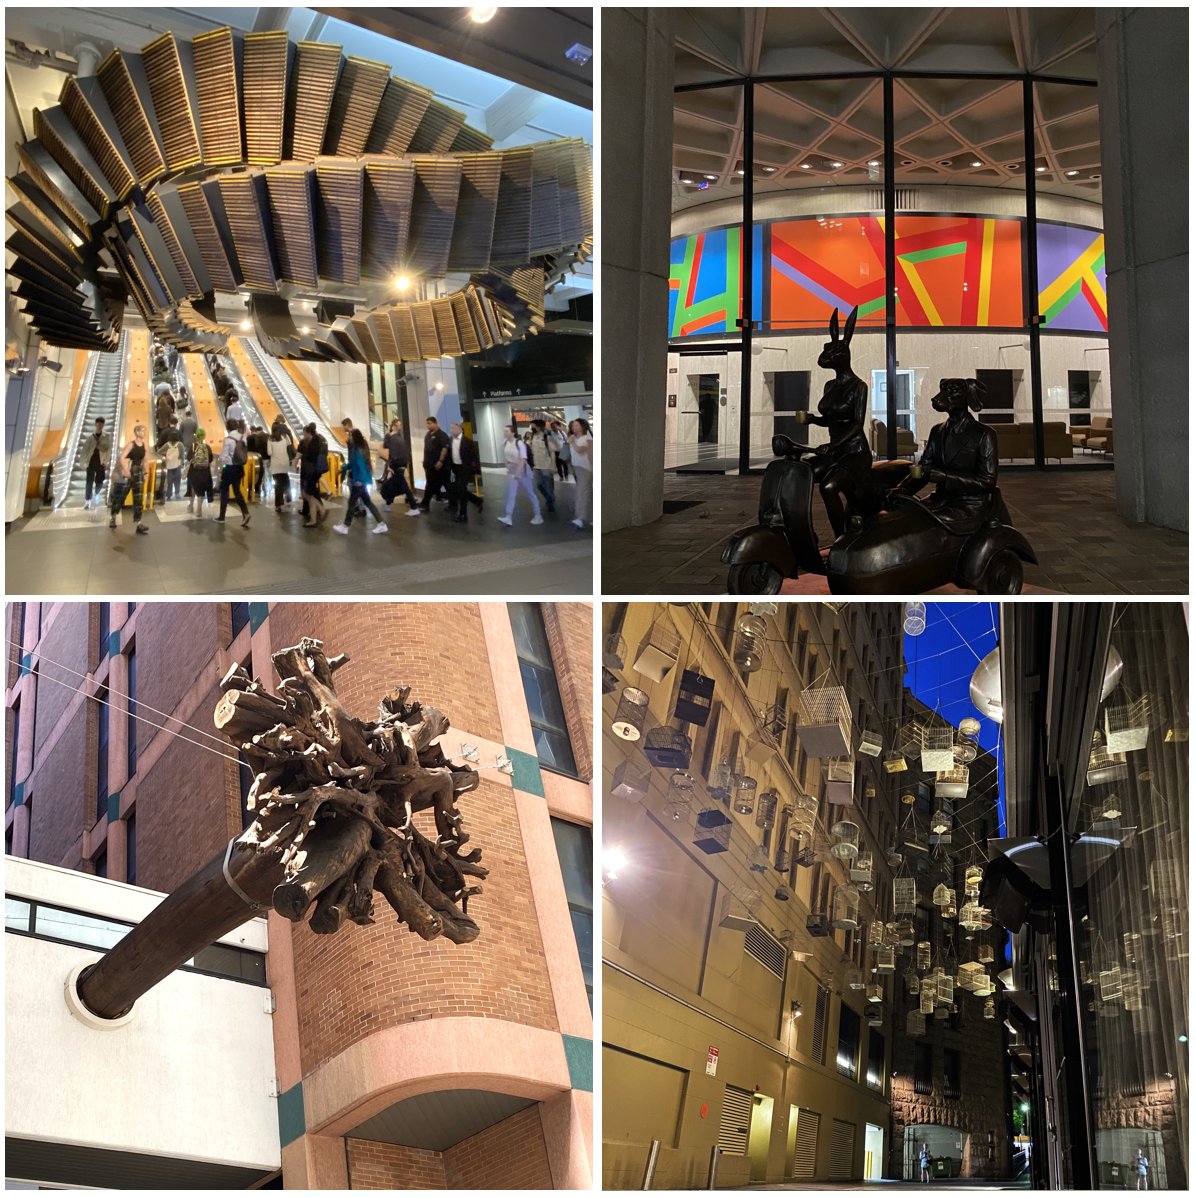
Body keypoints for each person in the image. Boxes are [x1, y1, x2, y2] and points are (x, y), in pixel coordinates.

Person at [333, 429, 388, 535]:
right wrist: (343, 468)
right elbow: (353, 464)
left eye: (350, 436)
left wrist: (359, 481)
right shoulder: (360, 448)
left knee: (352, 502)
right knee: (367, 502)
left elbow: (360, 467)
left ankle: (345, 526)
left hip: (359, 481)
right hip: (362, 481)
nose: (348, 437)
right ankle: (381, 524)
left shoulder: (357, 450)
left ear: (354, 437)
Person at [497, 424, 542, 527]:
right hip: (512, 470)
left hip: (522, 470)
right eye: (504, 431)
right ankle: (508, 516)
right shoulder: (505, 443)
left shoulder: (519, 443)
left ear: (513, 432)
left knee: (530, 493)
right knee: (511, 494)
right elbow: (507, 456)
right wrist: (507, 464)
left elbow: (523, 458)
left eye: (507, 431)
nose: (505, 433)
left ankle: (538, 515)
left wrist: (518, 473)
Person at [109, 423, 149, 535]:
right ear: (136, 432)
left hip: (139, 473)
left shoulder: (144, 445)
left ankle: (138, 523)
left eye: (144, 431)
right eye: (141, 430)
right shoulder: (131, 445)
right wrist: (126, 470)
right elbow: (122, 457)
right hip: (131, 472)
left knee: (139, 498)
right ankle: (113, 516)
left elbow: (145, 460)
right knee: (122, 496)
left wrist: (145, 473)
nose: (143, 432)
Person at [379, 417, 420, 516]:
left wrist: (390, 466)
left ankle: (414, 507)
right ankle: (389, 504)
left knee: (401, 486)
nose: (400, 426)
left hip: (396, 466)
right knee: (394, 485)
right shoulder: (399, 438)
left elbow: (386, 446)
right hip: (400, 465)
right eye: (399, 425)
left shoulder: (392, 438)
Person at [216, 419, 250, 526]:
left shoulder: (228, 439)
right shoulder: (242, 437)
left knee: (224, 490)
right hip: (239, 468)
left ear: (227, 428)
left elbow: (224, 457)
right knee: (237, 491)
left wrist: (221, 470)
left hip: (229, 468)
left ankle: (222, 517)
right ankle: (245, 512)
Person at [448, 421, 483, 523]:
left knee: (461, 490)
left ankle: (463, 514)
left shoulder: (468, 441)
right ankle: (477, 501)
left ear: (459, 428)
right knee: (460, 490)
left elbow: (474, 457)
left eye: (453, 428)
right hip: (456, 468)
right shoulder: (450, 441)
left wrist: (477, 471)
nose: (452, 431)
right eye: (451, 429)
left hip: (465, 468)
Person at [299, 423, 329, 527]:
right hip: (315, 471)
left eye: (304, 433)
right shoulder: (319, 439)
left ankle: (320, 511)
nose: (304, 435)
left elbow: (310, 457)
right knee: (309, 494)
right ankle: (314, 518)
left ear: (308, 432)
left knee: (308, 495)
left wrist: (304, 458)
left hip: (311, 472)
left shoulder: (313, 443)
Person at [420, 417, 451, 510]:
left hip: (438, 466)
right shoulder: (428, 435)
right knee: (435, 484)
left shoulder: (441, 435)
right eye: (427, 423)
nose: (427, 425)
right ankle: (449, 500)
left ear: (435, 423)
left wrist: (440, 461)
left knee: (432, 485)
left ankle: (425, 504)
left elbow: (444, 448)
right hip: (429, 465)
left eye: (429, 423)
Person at [567, 417, 593, 529]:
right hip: (577, 467)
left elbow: (580, 450)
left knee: (581, 492)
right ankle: (591, 517)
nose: (574, 427)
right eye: (573, 425)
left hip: (585, 468)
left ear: (583, 426)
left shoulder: (587, 437)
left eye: (577, 425)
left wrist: (572, 442)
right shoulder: (574, 438)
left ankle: (580, 518)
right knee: (587, 492)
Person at [267, 420, 296, 513]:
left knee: (278, 484)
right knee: (285, 479)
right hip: (285, 462)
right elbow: (289, 447)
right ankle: (288, 497)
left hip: (275, 464)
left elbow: (269, 452)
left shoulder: (270, 439)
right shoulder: (285, 436)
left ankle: (278, 505)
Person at [528, 419, 556, 513]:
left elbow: (552, 452)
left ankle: (550, 502)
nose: (531, 428)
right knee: (539, 485)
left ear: (539, 427)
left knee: (548, 486)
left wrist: (553, 465)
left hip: (546, 466)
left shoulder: (546, 437)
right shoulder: (532, 437)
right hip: (536, 466)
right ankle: (550, 498)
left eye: (533, 426)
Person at [83, 417, 110, 510]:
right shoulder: (90, 437)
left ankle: (97, 493)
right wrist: (84, 462)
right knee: (89, 482)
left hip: (101, 462)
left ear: (103, 425)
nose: (99, 425)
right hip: (91, 462)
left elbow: (108, 449)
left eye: (101, 424)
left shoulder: (107, 436)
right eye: (98, 423)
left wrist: (106, 461)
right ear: (95, 424)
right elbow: (85, 450)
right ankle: (87, 501)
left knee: (100, 481)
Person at [187, 427, 214, 516]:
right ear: (204, 436)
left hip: (194, 471)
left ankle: (191, 506)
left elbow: (188, 458)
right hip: (205, 472)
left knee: (192, 488)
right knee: (201, 491)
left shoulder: (193, 446)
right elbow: (210, 459)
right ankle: (199, 510)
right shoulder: (207, 447)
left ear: (196, 436)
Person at [245, 424, 269, 500]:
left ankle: (249, 490)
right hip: (259, 457)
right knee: (260, 474)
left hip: (249, 457)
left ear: (251, 431)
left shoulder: (248, 438)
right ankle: (258, 490)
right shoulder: (261, 438)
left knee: (249, 474)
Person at [161, 425, 183, 501]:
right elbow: (182, 455)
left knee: (169, 480)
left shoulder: (167, 444)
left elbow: (159, 452)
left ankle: (169, 495)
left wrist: (166, 455)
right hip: (177, 464)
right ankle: (177, 494)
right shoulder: (180, 444)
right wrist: (181, 462)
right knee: (177, 479)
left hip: (169, 464)